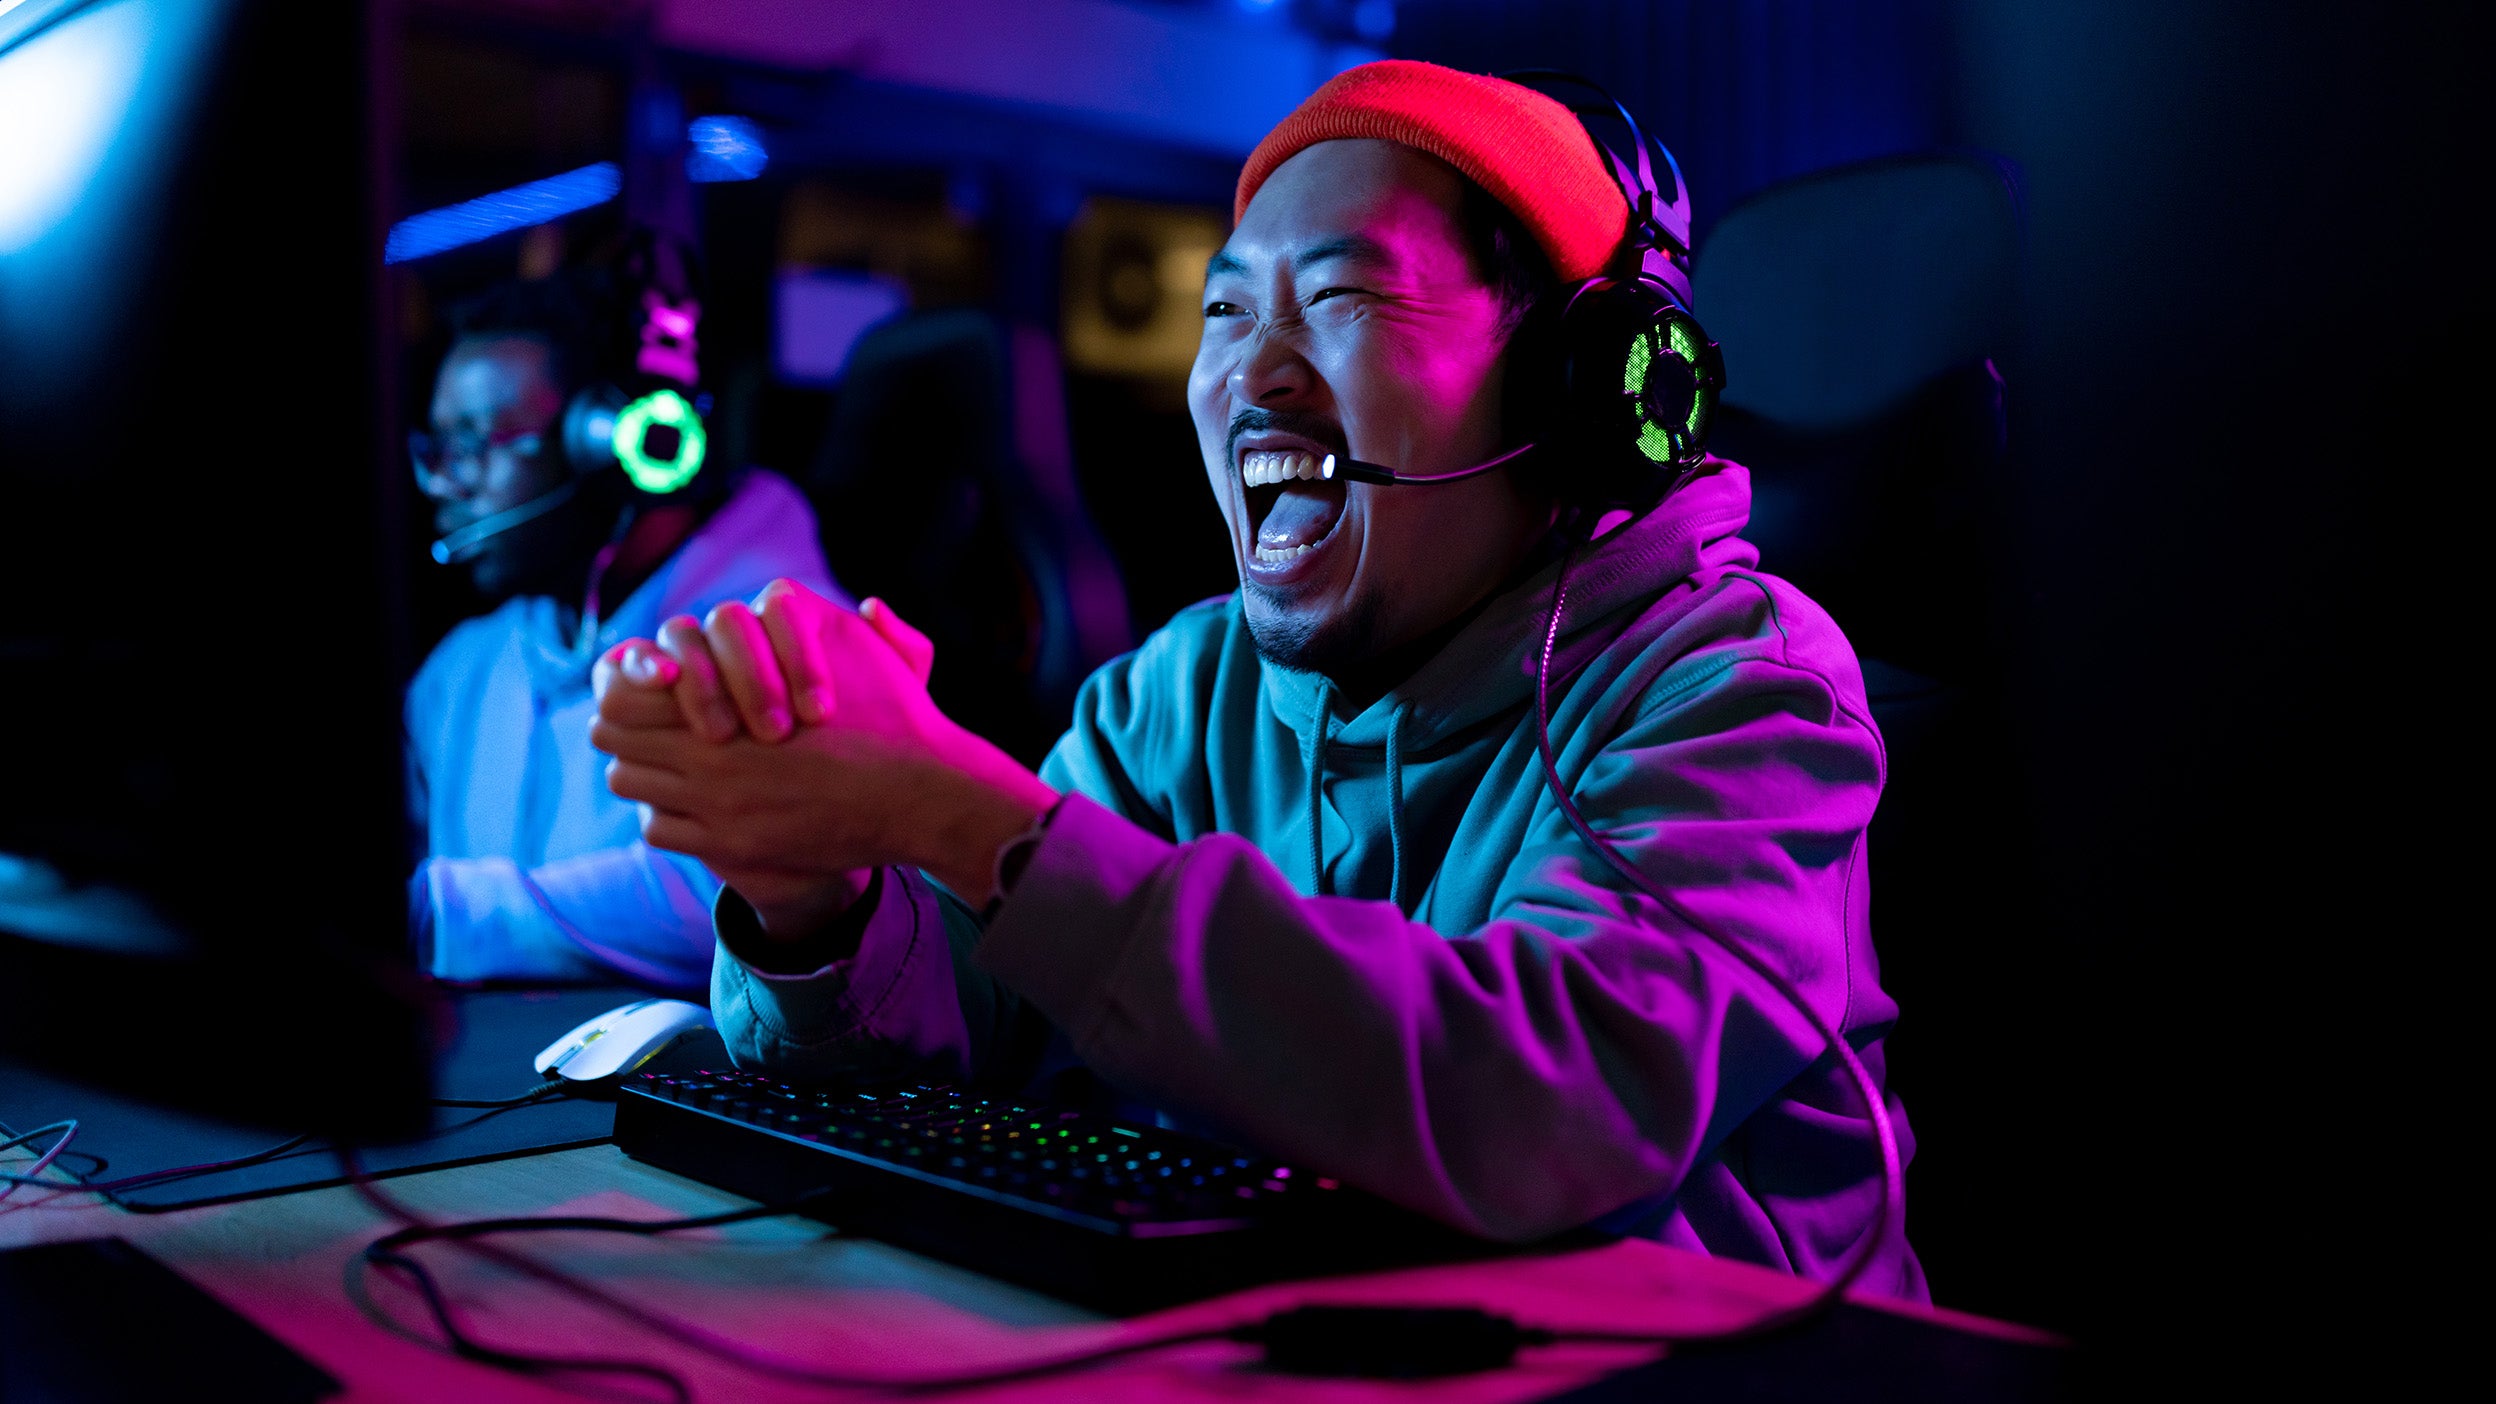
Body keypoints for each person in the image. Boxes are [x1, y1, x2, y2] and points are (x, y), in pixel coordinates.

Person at [591, 62, 1924, 1296]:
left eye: (1340, 300)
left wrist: (966, 819)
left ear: (1569, 394)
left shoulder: (1742, 685)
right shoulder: (1177, 689)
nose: (1252, 373)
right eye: (1225, 310)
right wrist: (811, 895)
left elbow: (1546, 1114)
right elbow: (966, 1030)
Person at [408, 268, 843, 993]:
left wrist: (437, 918)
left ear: (611, 446)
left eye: (476, 443)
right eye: (437, 452)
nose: (445, 484)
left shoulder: (780, 647)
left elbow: (741, 904)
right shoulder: (467, 669)